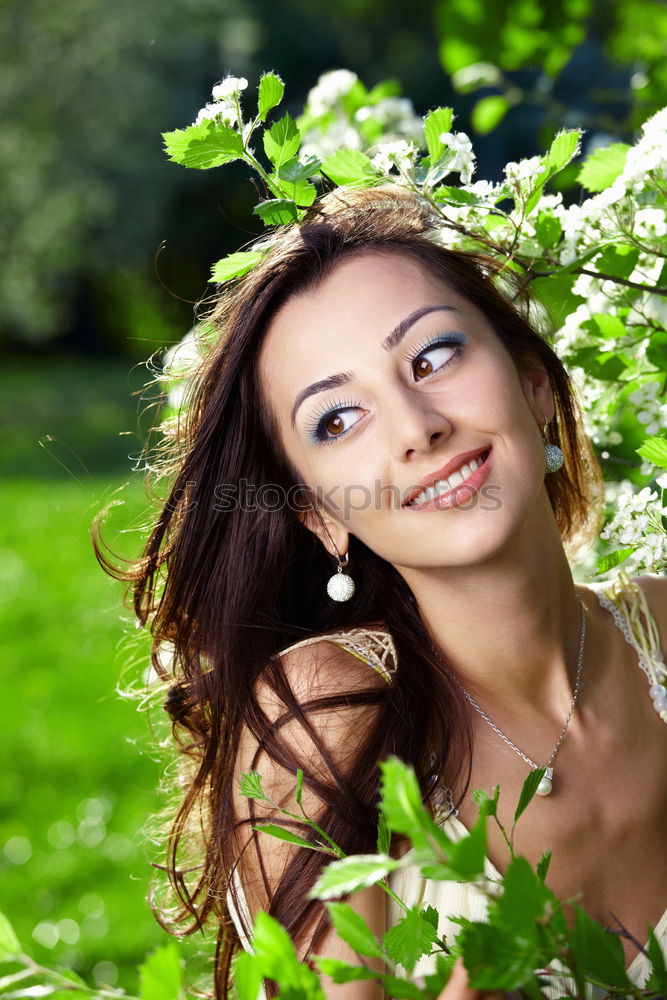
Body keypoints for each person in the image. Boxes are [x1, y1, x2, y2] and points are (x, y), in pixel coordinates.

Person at [101, 186, 667, 999]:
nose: (413, 426)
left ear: (535, 384)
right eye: (337, 419)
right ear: (318, 513)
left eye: (433, 358)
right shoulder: (324, 723)